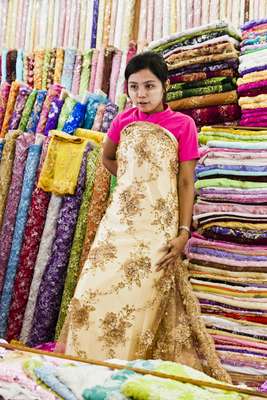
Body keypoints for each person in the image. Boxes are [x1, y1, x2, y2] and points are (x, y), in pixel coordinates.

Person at [57, 52, 231, 383]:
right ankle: (82, 373)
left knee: (139, 304)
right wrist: (131, 185)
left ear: (165, 86)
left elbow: (185, 181)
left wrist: (183, 234)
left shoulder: (184, 125)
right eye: (134, 87)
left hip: (157, 229)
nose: (141, 94)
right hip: (118, 226)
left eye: (149, 86)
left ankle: (121, 376)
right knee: (92, 293)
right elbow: (108, 157)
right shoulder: (123, 120)